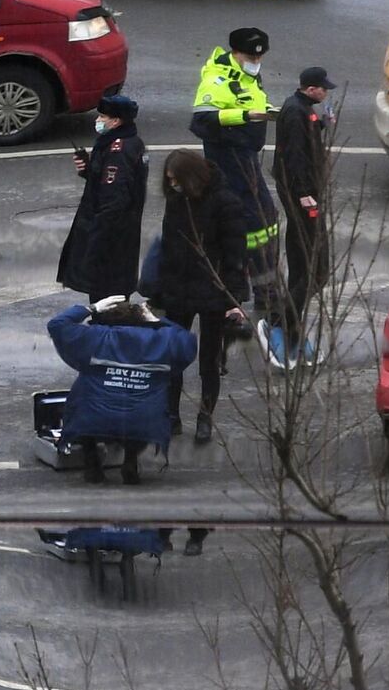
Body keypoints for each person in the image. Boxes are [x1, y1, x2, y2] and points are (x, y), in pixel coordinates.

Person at [154, 149, 248, 451]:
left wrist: (234, 299)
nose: (172, 185)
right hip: (180, 289)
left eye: (175, 179)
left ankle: (205, 417)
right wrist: (161, 289)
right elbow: (168, 246)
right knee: (173, 358)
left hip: (212, 291)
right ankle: (171, 415)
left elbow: (235, 254)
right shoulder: (177, 200)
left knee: (209, 360)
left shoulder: (225, 204)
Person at [190, 27, 281, 337]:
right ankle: (253, 294)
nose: (256, 60)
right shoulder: (217, 80)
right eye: (250, 55)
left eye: (260, 55)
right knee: (249, 228)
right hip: (230, 165)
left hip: (246, 162)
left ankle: (263, 289)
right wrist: (246, 118)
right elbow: (201, 121)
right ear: (234, 52)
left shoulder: (248, 75)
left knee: (267, 222)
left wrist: (264, 114)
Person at [48, 296, 197, 485]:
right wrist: (156, 320)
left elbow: (57, 324)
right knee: (143, 407)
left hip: (94, 419)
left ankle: (92, 462)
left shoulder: (95, 336)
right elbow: (188, 342)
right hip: (142, 423)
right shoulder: (161, 340)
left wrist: (90, 308)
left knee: (81, 400)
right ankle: (130, 460)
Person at [268, 66, 336, 368]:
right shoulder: (296, 112)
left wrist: (320, 124)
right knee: (316, 268)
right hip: (303, 195)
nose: (326, 92)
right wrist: (304, 194)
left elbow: (301, 139)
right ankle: (282, 320)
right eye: (323, 88)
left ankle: (286, 317)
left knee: (302, 259)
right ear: (311, 89)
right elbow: (294, 157)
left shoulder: (300, 109)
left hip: (302, 193)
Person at [57, 95, 148, 304]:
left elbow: (114, 198)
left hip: (110, 239)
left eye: (102, 116)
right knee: (109, 292)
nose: (98, 120)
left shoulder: (119, 150)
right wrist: (90, 170)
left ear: (116, 121)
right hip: (117, 235)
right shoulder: (123, 143)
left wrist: (96, 241)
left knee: (107, 297)